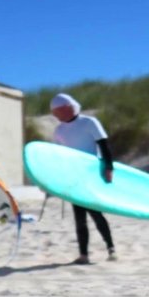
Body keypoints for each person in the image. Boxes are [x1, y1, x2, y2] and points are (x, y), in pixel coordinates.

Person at [50, 93, 116, 264]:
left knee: (95, 213)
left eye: (57, 111)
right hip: (74, 176)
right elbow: (59, 156)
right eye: (54, 112)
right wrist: (60, 177)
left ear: (69, 107)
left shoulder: (89, 122)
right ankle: (83, 254)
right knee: (79, 216)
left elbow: (103, 144)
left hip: (91, 174)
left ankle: (110, 247)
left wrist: (109, 167)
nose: (55, 115)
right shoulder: (59, 130)